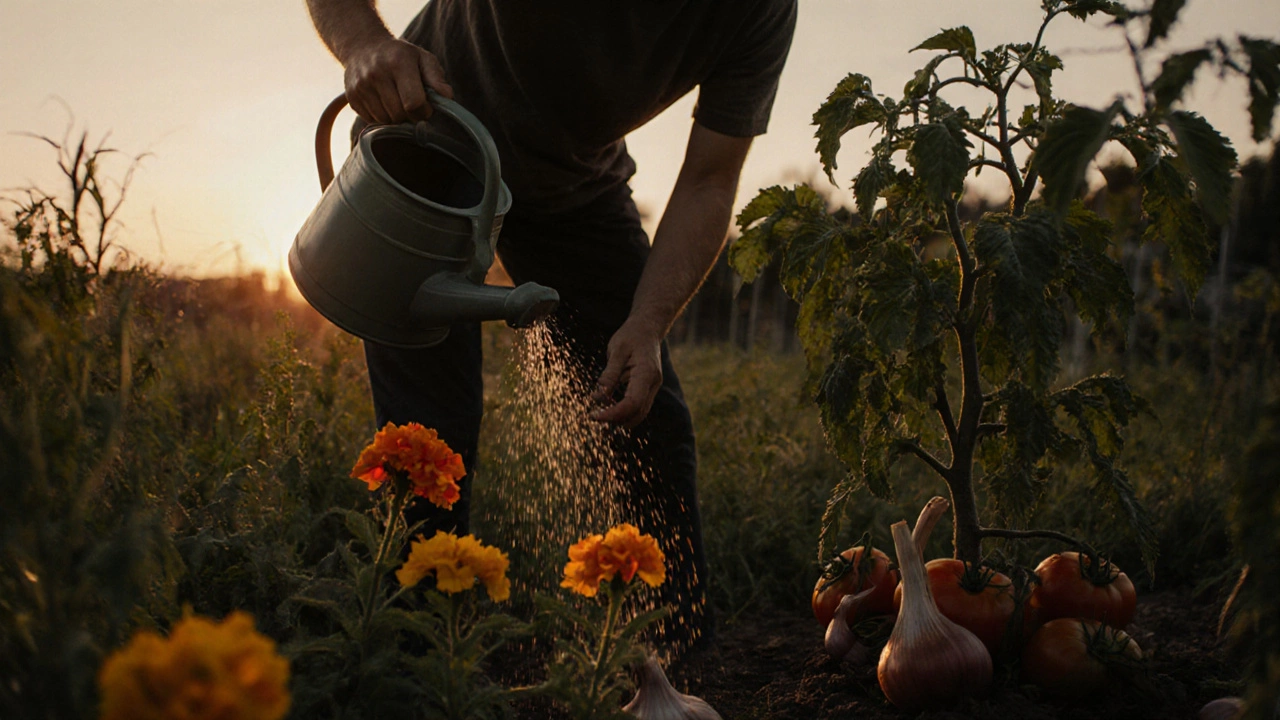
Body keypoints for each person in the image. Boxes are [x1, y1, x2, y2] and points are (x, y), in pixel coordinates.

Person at [305, 0, 797, 653]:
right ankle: (419, 665)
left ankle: (672, 664)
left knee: (643, 419)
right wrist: (364, 42)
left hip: (577, 193)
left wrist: (648, 321)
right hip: (426, 139)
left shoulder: (759, 12)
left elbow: (710, 179)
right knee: (428, 440)